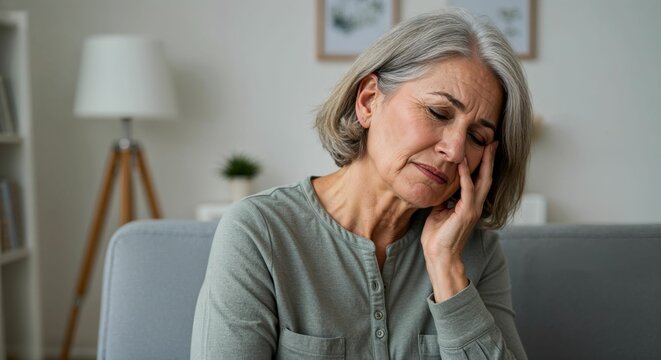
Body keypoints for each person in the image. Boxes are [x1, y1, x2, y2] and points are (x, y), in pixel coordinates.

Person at [191, 8, 532, 359]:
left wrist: (446, 268)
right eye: (438, 112)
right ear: (369, 101)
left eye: (477, 136)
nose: (454, 149)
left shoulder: (475, 250)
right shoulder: (259, 231)